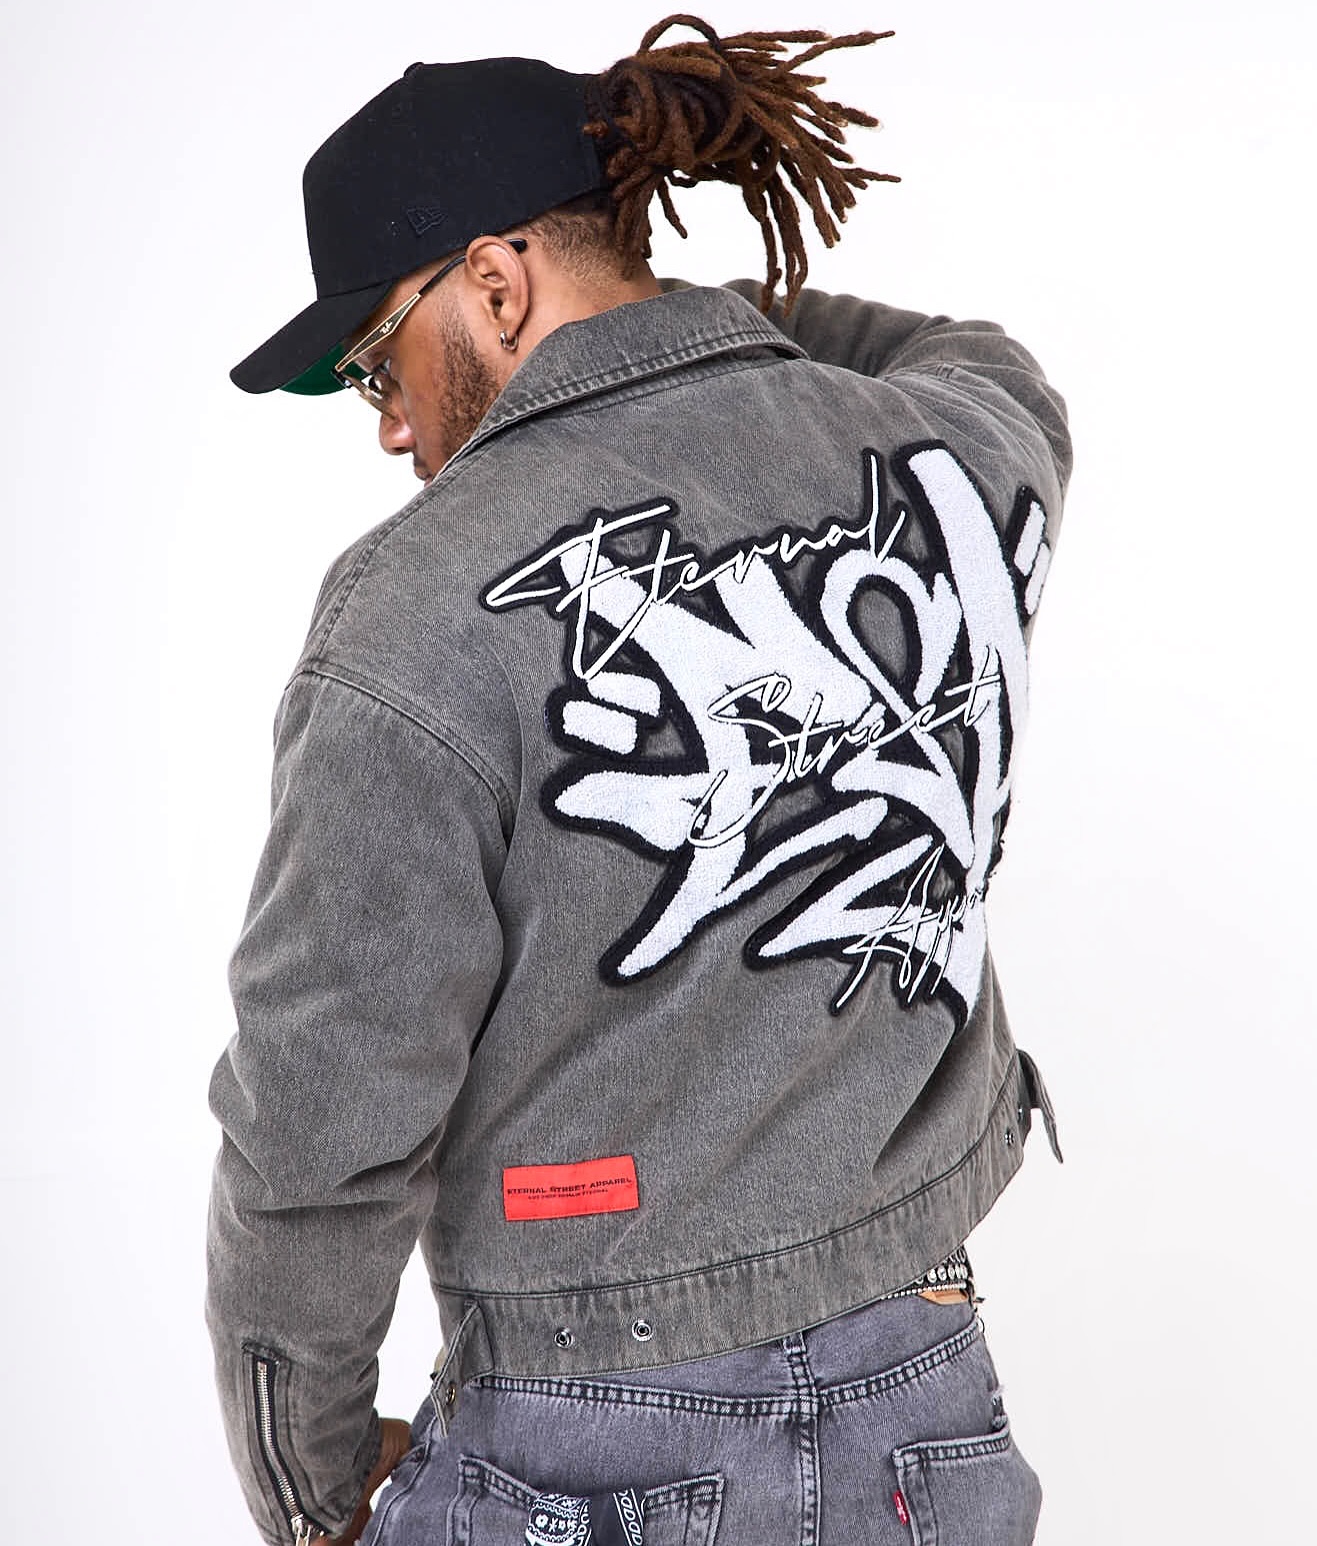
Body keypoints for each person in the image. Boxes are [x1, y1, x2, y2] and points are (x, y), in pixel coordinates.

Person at [209, 15, 1071, 1546]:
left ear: (495, 281)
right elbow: (987, 363)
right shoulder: (953, 456)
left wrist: (310, 1480)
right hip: (929, 1422)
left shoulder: (413, 616)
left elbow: (319, 1129)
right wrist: (663, 323)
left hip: (585, 1457)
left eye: (375, 364)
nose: (391, 424)